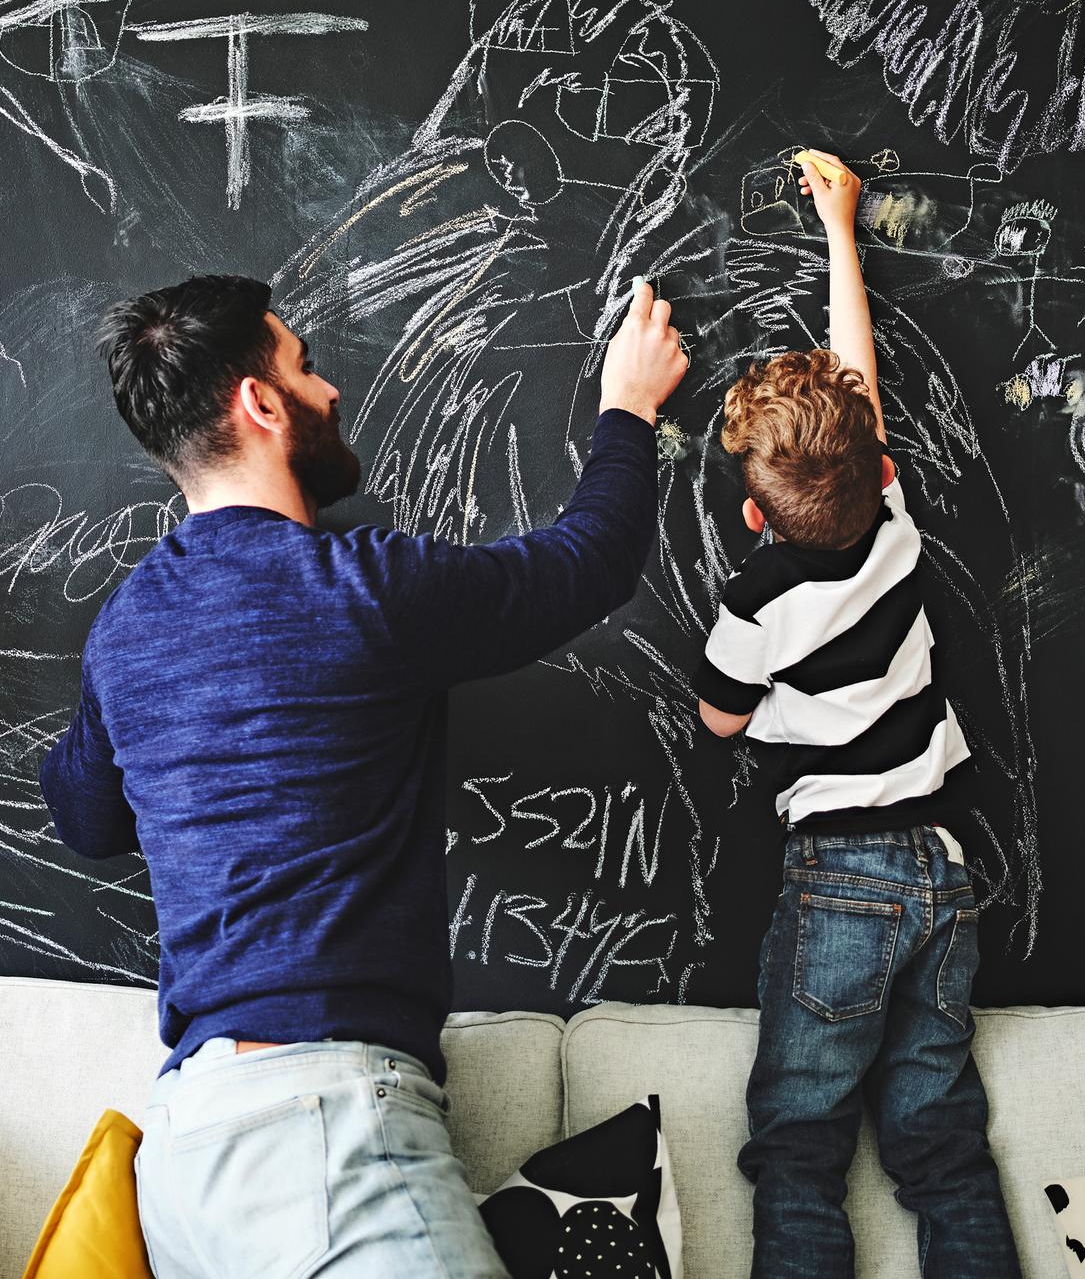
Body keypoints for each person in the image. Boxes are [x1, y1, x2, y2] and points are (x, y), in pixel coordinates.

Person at [38, 272, 686, 1278]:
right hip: (323, 1130)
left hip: (184, 1152)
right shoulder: (362, 590)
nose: (330, 388)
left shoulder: (123, 632)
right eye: (303, 367)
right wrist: (628, 404)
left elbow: (83, 816)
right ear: (258, 402)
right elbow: (586, 561)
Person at [693, 151, 1021, 1279]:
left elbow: (720, 720)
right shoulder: (892, 530)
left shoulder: (753, 599)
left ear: (750, 512)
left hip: (836, 871)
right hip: (941, 860)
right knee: (940, 1148)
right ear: (876, 466)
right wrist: (841, 227)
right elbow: (856, 380)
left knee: (797, 1148)